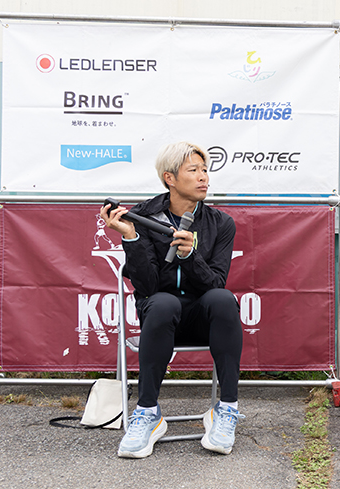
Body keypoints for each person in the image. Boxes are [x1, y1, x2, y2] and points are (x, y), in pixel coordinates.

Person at [101, 141, 244, 459]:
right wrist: (131, 237)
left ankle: (226, 410)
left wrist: (190, 255)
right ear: (170, 178)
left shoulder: (221, 223)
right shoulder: (142, 218)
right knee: (164, 302)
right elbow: (147, 286)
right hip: (160, 318)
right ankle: (147, 413)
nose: (203, 177)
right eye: (193, 170)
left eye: (205, 170)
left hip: (200, 321)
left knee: (223, 299)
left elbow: (215, 283)